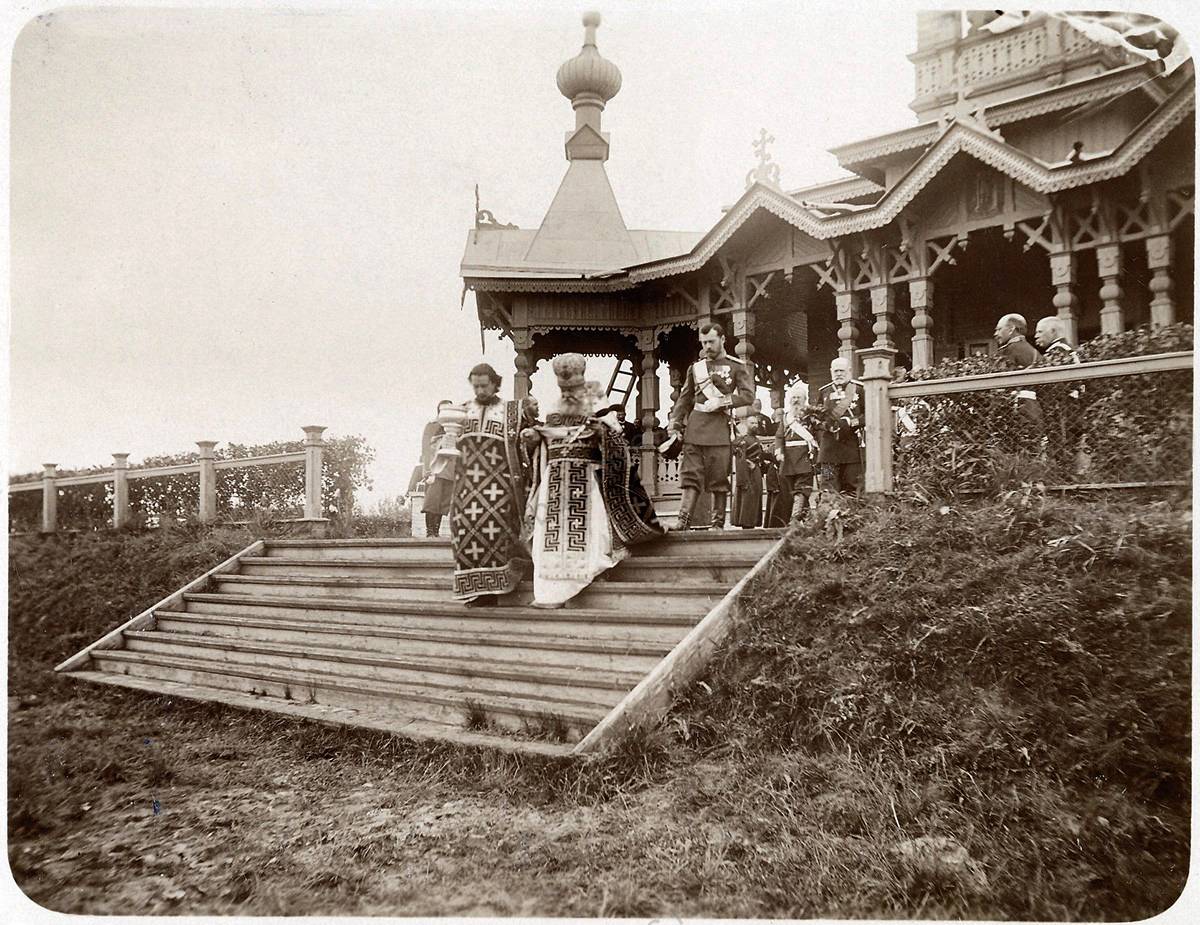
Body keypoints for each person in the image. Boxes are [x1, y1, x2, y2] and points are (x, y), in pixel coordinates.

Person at [524, 354, 663, 607]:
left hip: (584, 475)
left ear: (581, 375)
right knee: (552, 534)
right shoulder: (555, 404)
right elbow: (547, 440)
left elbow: (614, 433)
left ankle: (583, 577)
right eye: (561, 380)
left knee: (589, 531)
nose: (566, 385)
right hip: (555, 479)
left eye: (571, 379)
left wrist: (600, 428)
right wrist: (534, 437)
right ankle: (551, 591)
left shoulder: (595, 395)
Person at [449, 363, 532, 606]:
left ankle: (496, 588)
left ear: (496, 383)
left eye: (484, 385)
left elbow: (525, 446)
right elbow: (448, 445)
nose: (480, 390)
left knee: (497, 533)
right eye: (475, 386)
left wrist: (529, 437)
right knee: (463, 533)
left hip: (499, 485)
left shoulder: (511, 412)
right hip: (466, 486)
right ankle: (474, 589)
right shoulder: (461, 412)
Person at [667, 322, 755, 529]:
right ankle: (683, 521)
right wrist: (675, 422)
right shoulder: (695, 368)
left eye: (711, 342)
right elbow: (684, 397)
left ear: (723, 339)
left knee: (718, 478)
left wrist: (723, 402)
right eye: (704, 342)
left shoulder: (736, 366)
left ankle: (717, 525)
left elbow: (748, 396)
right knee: (690, 474)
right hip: (695, 428)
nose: (707, 347)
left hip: (719, 429)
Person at [814, 357, 864, 497]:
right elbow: (816, 418)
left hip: (851, 451)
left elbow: (868, 415)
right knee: (827, 488)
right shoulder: (824, 392)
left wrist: (850, 422)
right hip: (828, 453)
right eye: (835, 371)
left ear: (849, 371)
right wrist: (824, 425)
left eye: (841, 370)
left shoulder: (859, 390)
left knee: (854, 489)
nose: (838, 374)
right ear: (831, 372)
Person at [775, 383, 819, 522]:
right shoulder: (785, 418)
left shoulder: (810, 417)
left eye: (798, 397)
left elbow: (816, 436)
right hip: (788, 459)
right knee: (791, 491)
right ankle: (807, 521)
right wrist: (779, 451)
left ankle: (795, 519)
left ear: (804, 399)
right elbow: (779, 437)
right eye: (793, 397)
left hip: (805, 457)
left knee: (802, 489)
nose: (795, 400)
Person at [994, 312, 1043, 427]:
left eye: (999, 329)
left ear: (1011, 329)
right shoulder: (1035, 352)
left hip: (1015, 409)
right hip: (1036, 409)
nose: (996, 334)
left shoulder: (1007, 351)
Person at [419, 398, 455, 537]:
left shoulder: (454, 428)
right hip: (435, 468)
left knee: (442, 503)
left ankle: (436, 532)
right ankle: (430, 532)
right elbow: (425, 448)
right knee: (432, 501)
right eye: (444, 410)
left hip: (449, 470)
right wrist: (427, 470)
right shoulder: (432, 426)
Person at [731, 416, 764, 528]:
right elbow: (741, 457)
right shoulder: (743, 441)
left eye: (756, 423)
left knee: (756, 496)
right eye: (752, 423)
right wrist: (749, 465)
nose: (754, 425)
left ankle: (753, 522)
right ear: (746, 424)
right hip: (747, 473)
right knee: (748, 497)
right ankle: (747, 523)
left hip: (756, 472)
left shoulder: (757, 439)